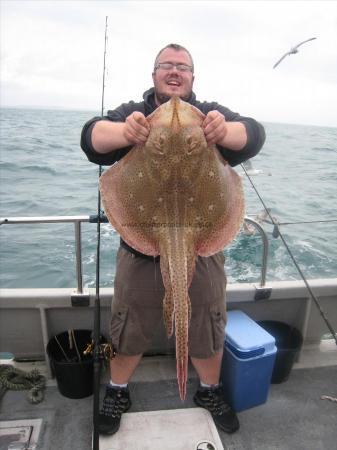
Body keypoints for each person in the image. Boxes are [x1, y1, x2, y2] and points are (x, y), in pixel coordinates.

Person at [81, 43, 265, 436]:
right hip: (142, 244)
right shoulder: (135, 113)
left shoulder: (211, 115)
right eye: (167, 65)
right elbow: (91, 138)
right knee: (127, 323)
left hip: (203, 243)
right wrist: (125, 131)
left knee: (207, 322)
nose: (175, 71)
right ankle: (117, 388)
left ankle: (209, 389)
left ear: (192, 78)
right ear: (155, 76)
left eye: (183, 67)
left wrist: (223, 131)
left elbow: (252, 135)